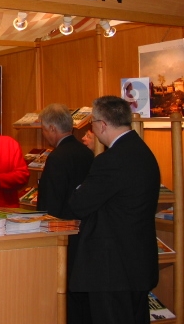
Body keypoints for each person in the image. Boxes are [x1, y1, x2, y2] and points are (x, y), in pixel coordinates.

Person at [69, 96, 161, 324]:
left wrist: (80, 188)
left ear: (102, 125)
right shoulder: (144, 152)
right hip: (138, 263)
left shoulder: (110, 160)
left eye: (92, 123)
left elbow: (79, 203)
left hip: (112, 269)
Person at [36, 103, 94, 324]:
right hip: (86, 233)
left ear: (52, 128)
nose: (44, 134)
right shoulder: (87, 153)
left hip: (62, 235)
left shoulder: (58, 157)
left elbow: (51, 203)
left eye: (43, 129)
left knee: (65, 295)